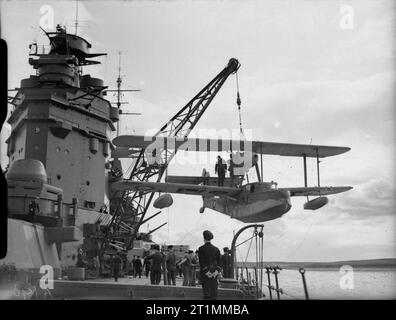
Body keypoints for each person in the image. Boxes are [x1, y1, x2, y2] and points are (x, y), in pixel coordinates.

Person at [198, 230, 222, 299]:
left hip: (205, 275)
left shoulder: (201, 249)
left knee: (206, 293)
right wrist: (215, 272)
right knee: (214, 293)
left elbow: (201, 263)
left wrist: (207, 273)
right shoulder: (216, 249)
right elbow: (220, 263)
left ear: (204, 238)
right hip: (214, 274)